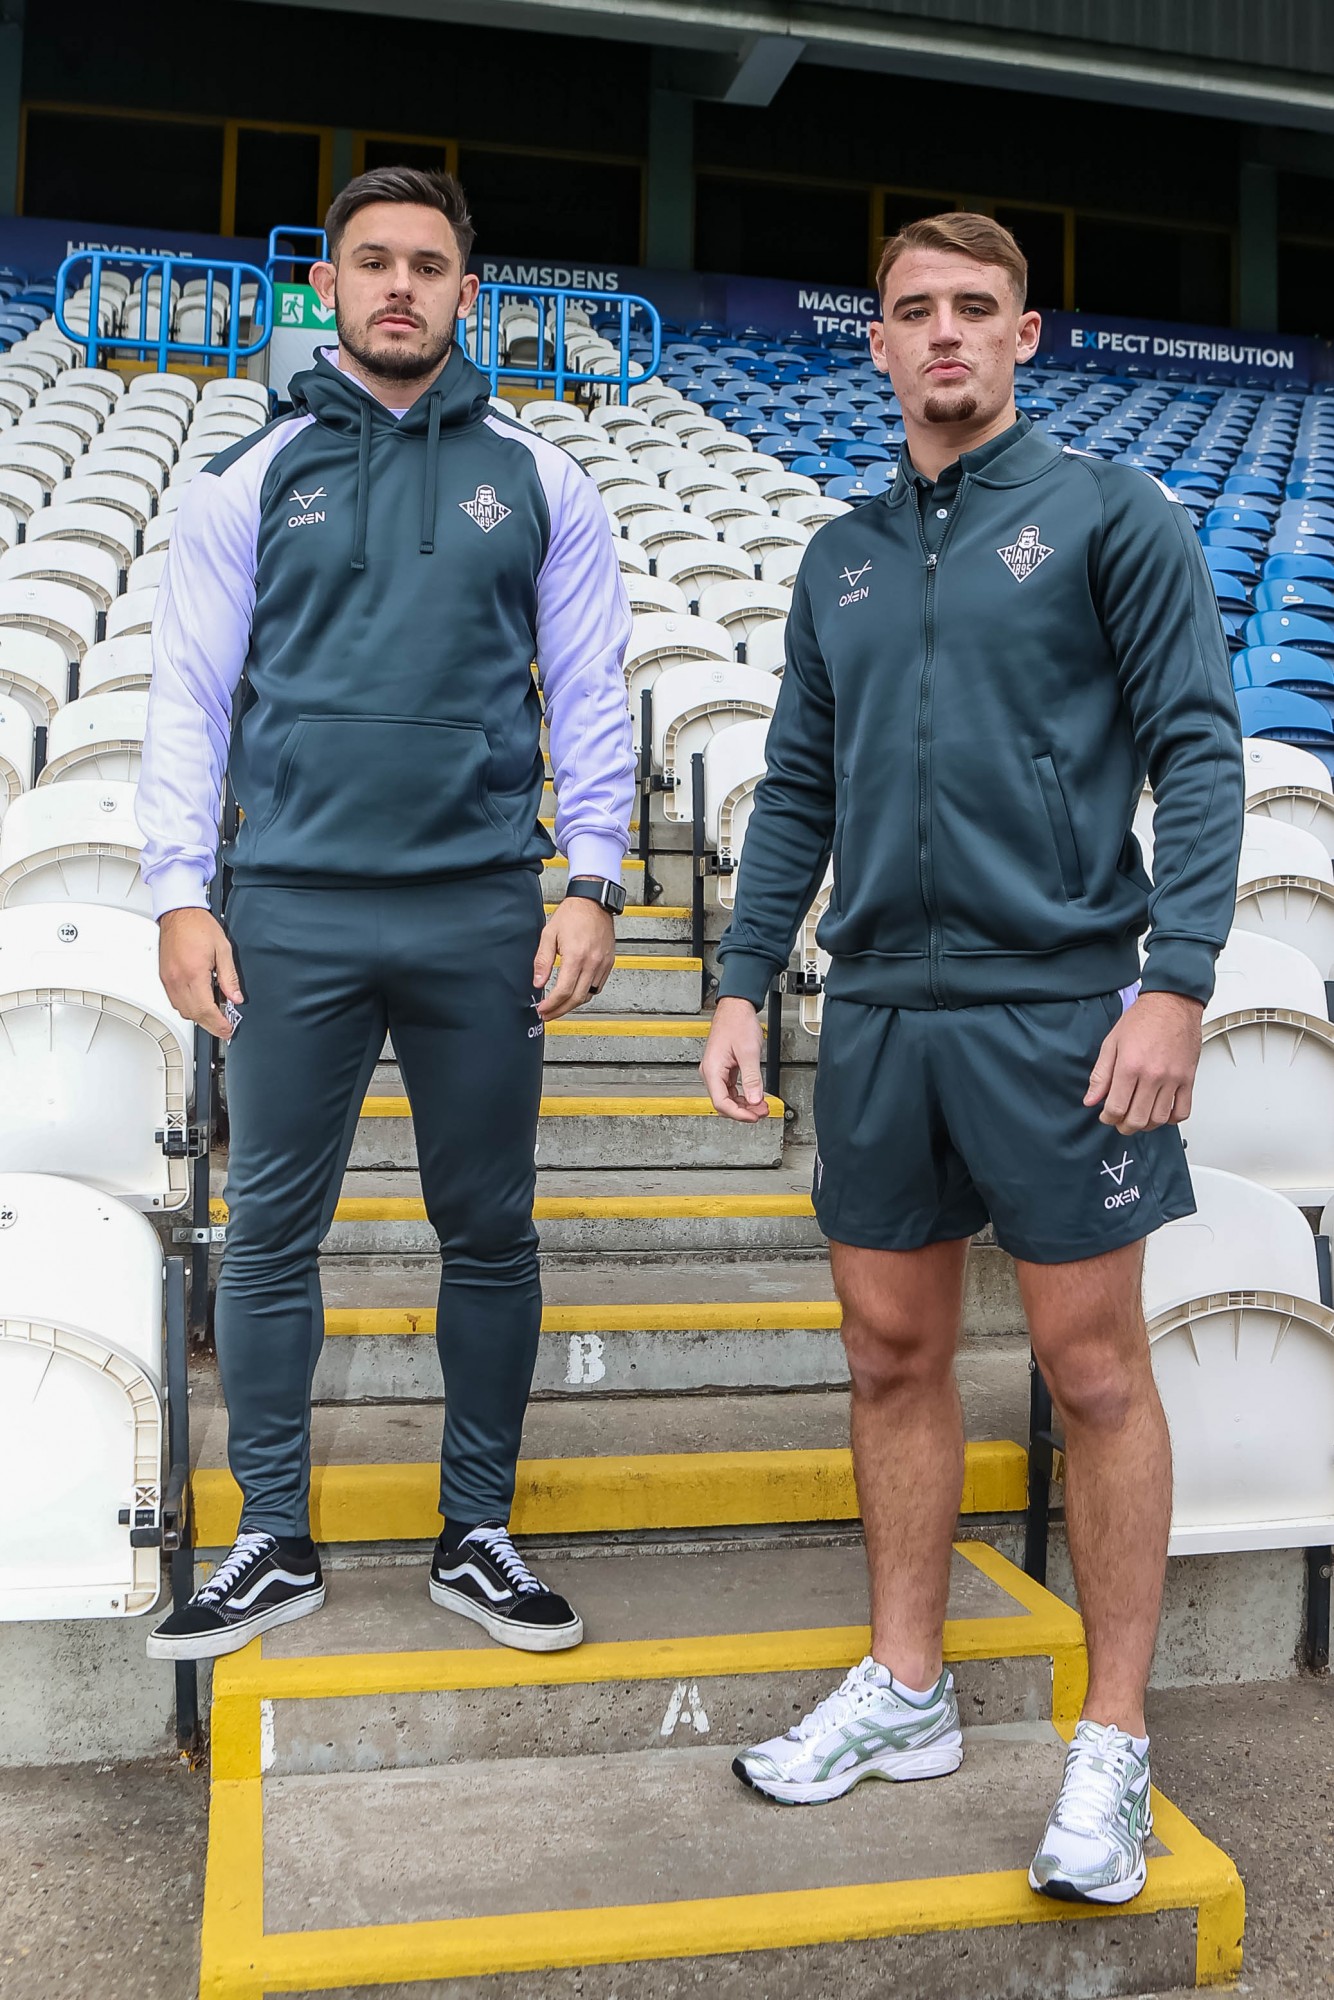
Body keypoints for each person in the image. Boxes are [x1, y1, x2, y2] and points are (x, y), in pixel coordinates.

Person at [701, 212, 1243, 1903]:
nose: (942, 332)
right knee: (886, 1354)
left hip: (1059, 1009)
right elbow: (797, 783)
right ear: (873, 342)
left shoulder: (1109, 513)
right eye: (912, 310)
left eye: (973, 308)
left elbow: (1197, 749)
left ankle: (1113, 1739)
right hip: (877, 1010)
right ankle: (906, 1689)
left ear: (1024, 335)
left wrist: (1176, 984)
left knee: (1093, 1375)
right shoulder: (839, 559)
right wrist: (740, 980)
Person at [139, 166, 635, 1662]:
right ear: (331, 286)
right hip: (290, 907)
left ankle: (477, 1529)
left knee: (487, 1227)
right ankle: (271, 1538)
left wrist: (593, 878)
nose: (400, 286)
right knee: (269, 1233)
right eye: (373, 263)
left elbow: (589, 692)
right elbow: (190, 699)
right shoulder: (246, 476)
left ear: (466, 292)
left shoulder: (543, 480)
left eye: (427, 264)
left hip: (477, 908)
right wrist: (179, 893)